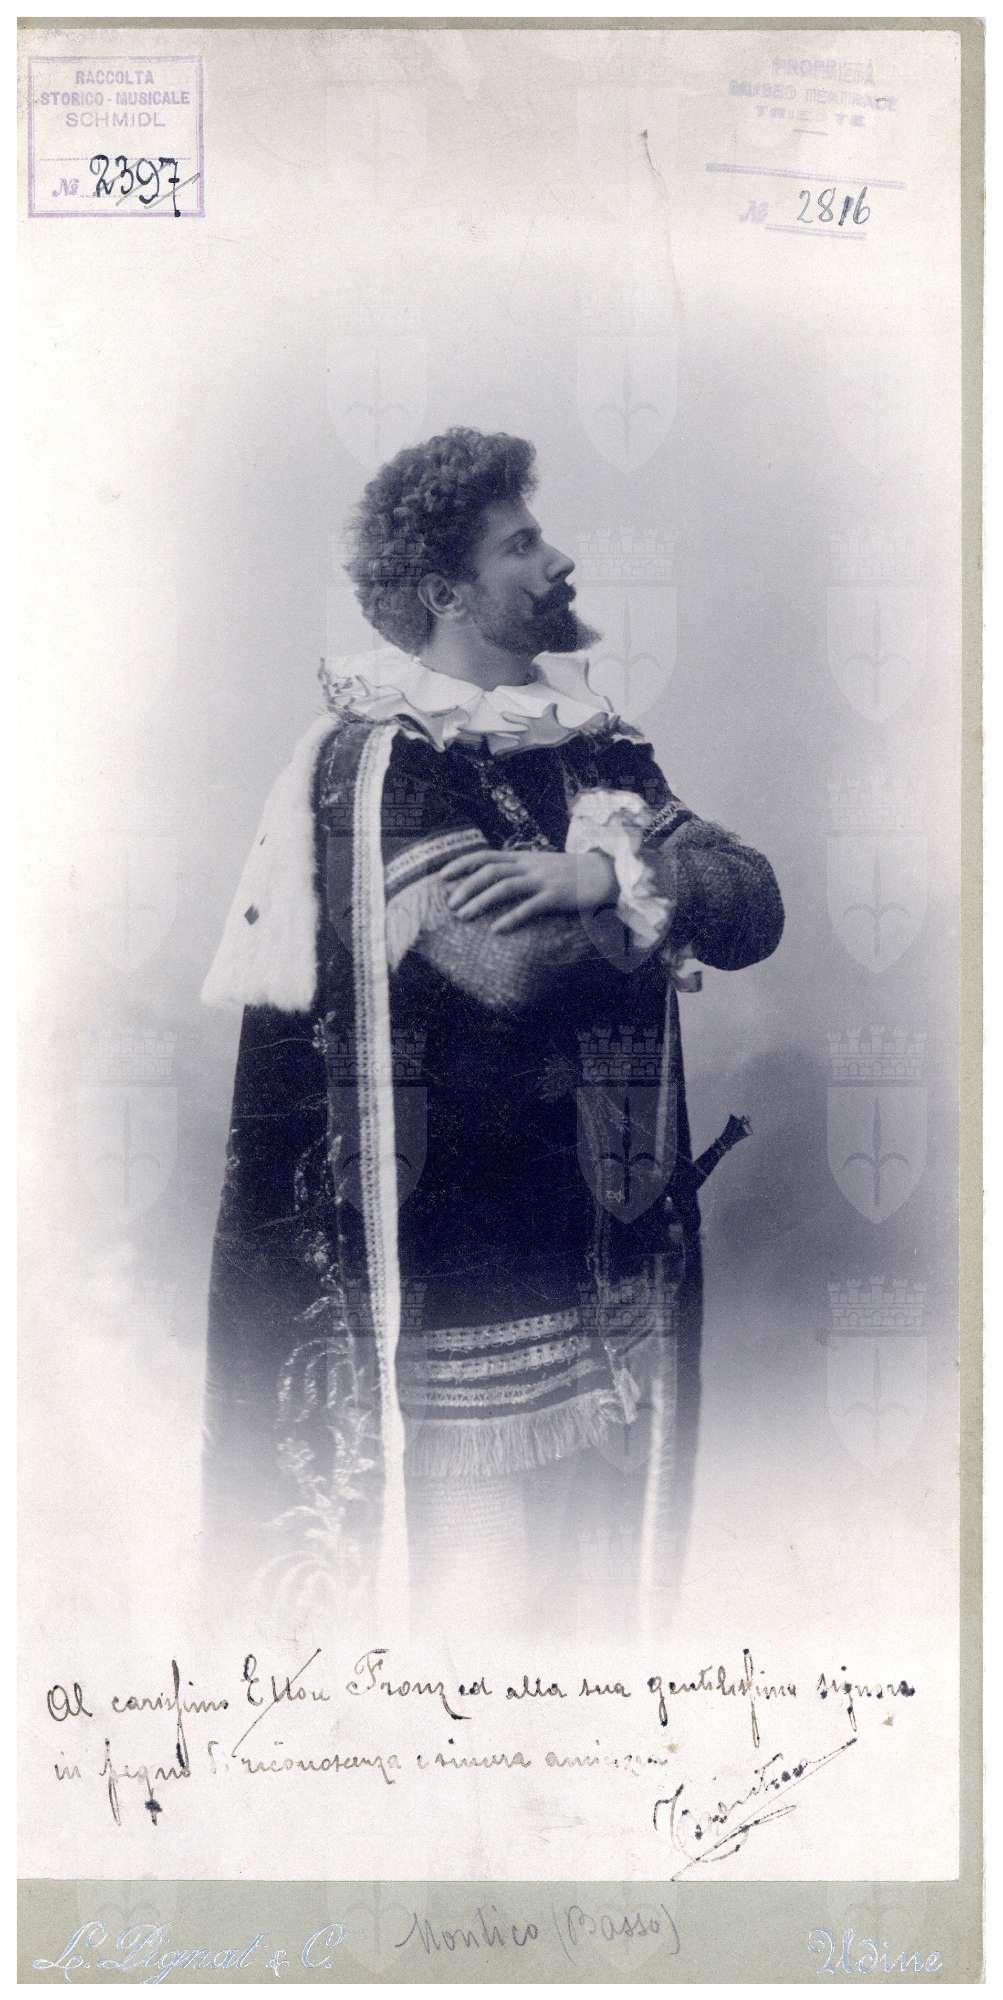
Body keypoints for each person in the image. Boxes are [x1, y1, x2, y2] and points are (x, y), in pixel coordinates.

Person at [201, 427, 784, 1634]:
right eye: (521, 544)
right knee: (471, 1623)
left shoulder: (598, 745)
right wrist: (648, 890)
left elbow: (755, 905)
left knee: (594, 1619)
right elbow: (503, 968)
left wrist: (598, 874)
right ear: (445, 592)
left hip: (608, 1262)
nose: (558, 562)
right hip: (459, 1279)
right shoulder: (382, 763)